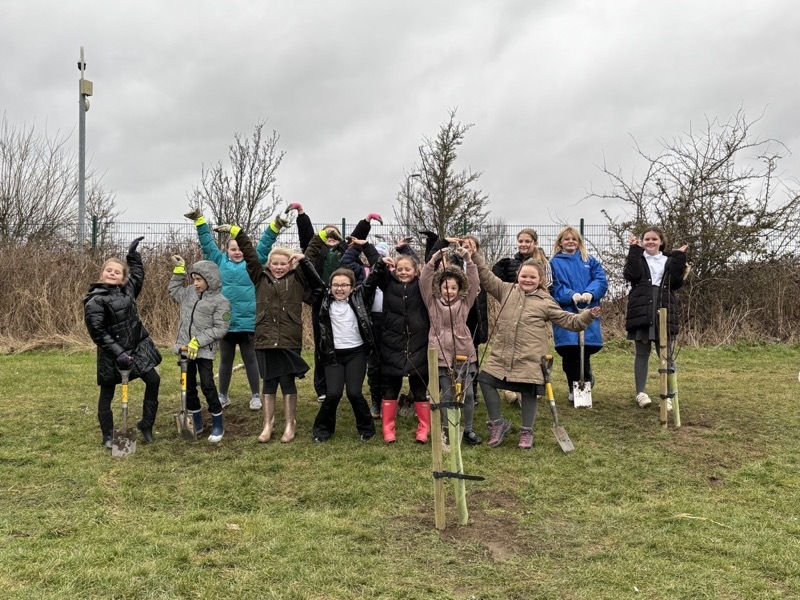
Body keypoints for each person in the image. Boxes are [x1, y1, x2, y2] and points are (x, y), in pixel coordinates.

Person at [473, 249, 600, 449]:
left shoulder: (546, 301)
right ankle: (497, 424)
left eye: (532, 277)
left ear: (540, 279)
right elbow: (486, 276)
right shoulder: (505, 290)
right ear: (518, 276)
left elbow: (570, 321)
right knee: (485, 381)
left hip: (529, 358)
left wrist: (588, 316)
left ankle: (526, 431)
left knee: (528, 392)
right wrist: (473, 256)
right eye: (524, 276)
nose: (527, 280)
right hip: (501, 355)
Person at [216, 220, 323, 443]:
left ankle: (289, 424)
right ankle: (268, 424)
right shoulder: (258, 277)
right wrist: (237, 232)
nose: (278, 266)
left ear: (290, 264)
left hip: (288, 337)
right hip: (265, 337)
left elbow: (310, 254)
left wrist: (320, 237)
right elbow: (250, 254)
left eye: (283, 263)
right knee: (269, 382)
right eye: (275, 263)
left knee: (287, 382)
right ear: (269, 264)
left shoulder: (297, 278)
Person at [184, 207, 286, 411]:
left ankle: (256, 396)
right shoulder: (219, 261)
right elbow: (207, 244)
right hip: (225, 322)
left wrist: (275, 226)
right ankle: (223, 395)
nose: (238, 251)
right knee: (225, 361)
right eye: (233, 249)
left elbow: (265, 244)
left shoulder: (253, 261)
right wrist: (199, 222)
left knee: (251, 359)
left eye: (240, 248)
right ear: (226, 251)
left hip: (249, 322)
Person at [297, 206, 383, 403]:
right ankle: (322, 387)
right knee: (322, 343)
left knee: (347, 340)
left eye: (334, 234)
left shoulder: (343, 251)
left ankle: (347, 380)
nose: (331, 237)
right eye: (327, 235)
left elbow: (355, 241)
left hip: (346, 301)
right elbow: (307, 241)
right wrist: (302, 215)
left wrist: (366, 221)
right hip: (322, 301)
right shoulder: (318, 252)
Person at [83, 236, 162, 448]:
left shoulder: (128, 291)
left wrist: (133, 256)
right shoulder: (95, 300)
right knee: (107, 393)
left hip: (137, 348)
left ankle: (146, 423)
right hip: (112, 354)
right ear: (102, 274)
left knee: (153, 380)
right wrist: (118, 353)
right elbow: (97, 331)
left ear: (122, 279)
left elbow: (138, 276)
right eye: (109, 270)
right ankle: (108, 436)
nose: (112, 274)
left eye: (117, 272)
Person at [364, 248, 431, 443]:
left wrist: (439, 243)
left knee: (419, 391)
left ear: (415, 270)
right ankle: (388, 428)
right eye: (400, 269)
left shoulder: (421, 285)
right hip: (392, 345)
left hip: (418, 345)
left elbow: (432, 267)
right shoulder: (388, 284)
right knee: (390, 390)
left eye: (407, 269)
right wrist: (378, 261)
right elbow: (375, 275)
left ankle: (423, 429)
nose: (403, 272)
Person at [419, 244, 482, 446]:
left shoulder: (465, 302)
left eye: (454, 288)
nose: (449, 291)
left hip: (463, 352)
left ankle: (469, 429)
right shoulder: (432, 301)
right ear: (440, 287)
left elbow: (473, 279)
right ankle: (448, 430)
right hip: (439, 353)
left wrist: (468, 260)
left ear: (460, 288)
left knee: (468, 393)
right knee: (447, 394)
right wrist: (434, 259)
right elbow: (424, 279)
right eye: (446, 287)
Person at [308, 260, 377, 443]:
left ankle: (366, 429)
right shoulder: (323, 300)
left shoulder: (360, 298)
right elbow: (314, 281)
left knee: (354, 393)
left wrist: (382, 265)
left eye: (344, 285)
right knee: (333, 394)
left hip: (356, 353)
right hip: (333, 355)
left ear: (352, 287)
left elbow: (372, 280)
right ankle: (322, 430)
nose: (339, 289)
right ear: (330, 286)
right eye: (335, 285)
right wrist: (305, 261)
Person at [624, 227, 688, 409]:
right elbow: (631, 275)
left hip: (664, 307)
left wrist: (679, 259)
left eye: (654, 239)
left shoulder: (669, 259)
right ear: (642, 242)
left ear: (661, 241)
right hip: (641, 307)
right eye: (646, 239)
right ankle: (641, 393)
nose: (650, 242)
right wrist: (634, 250)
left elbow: (677, 283)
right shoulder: (637, 257)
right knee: (641, 352)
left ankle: (669, 394)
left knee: (666, 353)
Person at [168, 257, 231, 443]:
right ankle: (196, 422)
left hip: (203, 351)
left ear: (210, 280)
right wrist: (179, 271)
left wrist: (198, 341)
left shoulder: (221, 302)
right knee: (188, 387)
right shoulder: (188, 293)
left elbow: (221, 328)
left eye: (199, 280)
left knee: (207, 385)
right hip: (185, 349)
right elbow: (173, 292)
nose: (195, 283)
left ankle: (218, 423)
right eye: (193, 279)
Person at [550, 226, 609, 402]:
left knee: (584, 351)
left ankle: (585, 383)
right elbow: (554, 285)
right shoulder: (553, 263)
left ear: (579, 242)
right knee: (569, 352)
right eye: (566, 239)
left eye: (574, 239)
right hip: (565, 312)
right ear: (560, 242)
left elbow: (600, 280)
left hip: (587, 310)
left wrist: (590, 293)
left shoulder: (589, 261)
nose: (570, 242)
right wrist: (570, 295)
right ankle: (572, 386)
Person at [340, 236, 385, 419]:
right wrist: (358, 247)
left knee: (388, 362)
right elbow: (345, 261)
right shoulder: (361, 271)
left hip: (390, 321)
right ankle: (377, 399)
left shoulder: (393, 273)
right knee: (374, 363)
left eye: (384, 256)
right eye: (378, 255)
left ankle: (390, 398)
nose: (380, 259)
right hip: (370, 320)